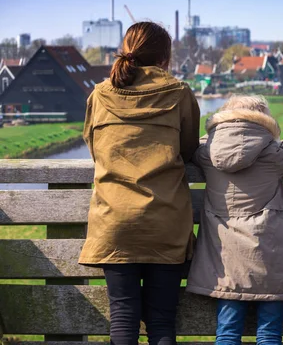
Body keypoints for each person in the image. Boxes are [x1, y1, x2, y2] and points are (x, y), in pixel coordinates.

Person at [78, 22, 200, 345]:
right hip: (165, 222)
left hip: (114, 223)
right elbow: (188, 149)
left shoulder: (99, 95)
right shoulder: (179, 93)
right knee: (161, 322)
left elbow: (94, 146)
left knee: (123, 316)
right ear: (165, 58)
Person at [186, 95, 283, 345]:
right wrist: (282, 141)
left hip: (225, 261)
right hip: (271, 260)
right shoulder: (274, 154)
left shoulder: (206, 154)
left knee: (227, 333)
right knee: (268, 334)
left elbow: (199, 146)